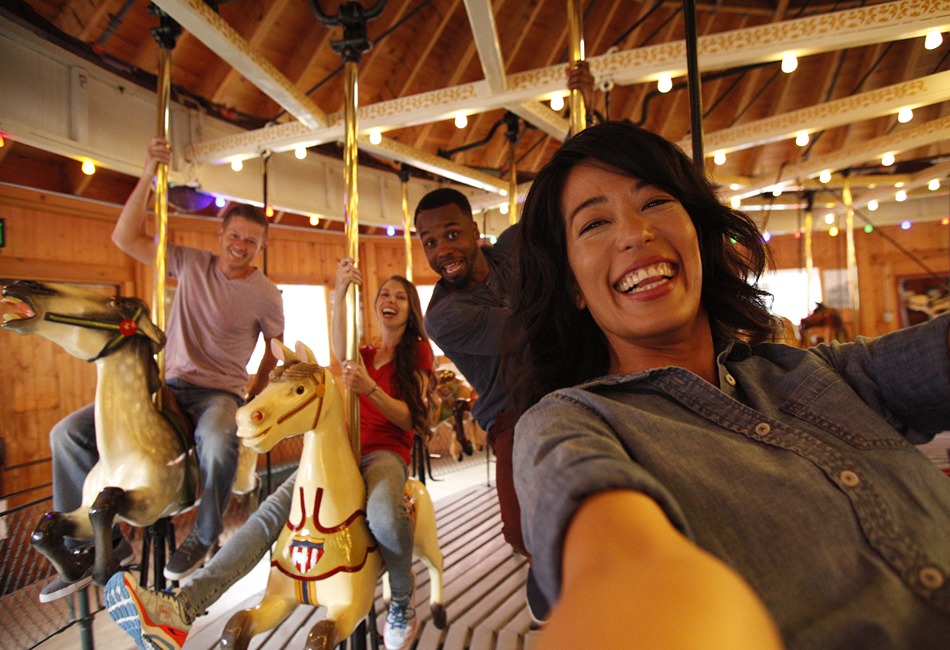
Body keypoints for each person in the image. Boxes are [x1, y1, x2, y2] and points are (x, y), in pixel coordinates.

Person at [505, 120, 950, 648]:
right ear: (573, 285)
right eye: (594, 224)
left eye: (654, 203)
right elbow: (621, 565)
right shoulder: (573, 423)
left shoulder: (817, 374)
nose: (633, 233)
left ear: (699, 233)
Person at [104, 265, 434, 650]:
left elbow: (412, 416)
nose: (389, 301)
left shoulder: (419, 354)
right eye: (384, 295)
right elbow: (338, 346)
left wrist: (371, 389)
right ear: (374, 306)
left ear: (411, 310)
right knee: (266, 516)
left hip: (384, 453)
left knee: (383, 513)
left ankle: (400, 599)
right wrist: (340, 289)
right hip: (343, 451)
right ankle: (181, 609)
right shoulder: (363, 353)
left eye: (399, 297)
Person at [43, 136, 284, 601]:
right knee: (67, 434)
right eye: (235, 236)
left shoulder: (266, 293)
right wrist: (148, 172)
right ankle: (93, 541)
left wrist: (253, 395)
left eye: (251, 241)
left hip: (218, 392)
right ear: (220, 235)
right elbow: (125, 237)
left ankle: (206, 530)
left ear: (262, 246)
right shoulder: (191, 263)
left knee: (217, 438)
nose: (241, 245)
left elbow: (274, 350)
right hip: (166, 384)